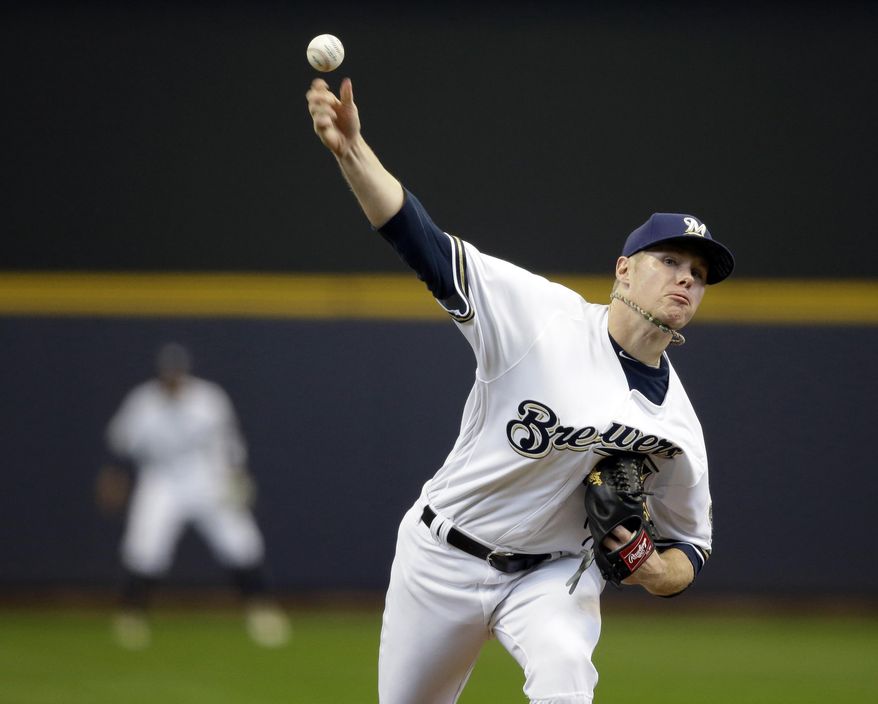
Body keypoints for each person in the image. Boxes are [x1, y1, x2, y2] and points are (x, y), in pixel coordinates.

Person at [306, 76, 734, 703]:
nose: (685, 281)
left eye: (698, 275)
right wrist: (352, 152)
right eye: (669, 261)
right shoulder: (541, 316)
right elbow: (419, 239)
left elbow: (691, 548)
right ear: (623, 269)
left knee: (565, 676)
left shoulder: (676, 425)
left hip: (554, 576)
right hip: (442, 556)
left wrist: (653, 568)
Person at [95, 342, 290, 649]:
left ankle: (261, 611)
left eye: (177, 374)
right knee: (145, 547)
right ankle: (131, 615)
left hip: (206, 479)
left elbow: (230, 442)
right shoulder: (143, 403)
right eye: (168, 375)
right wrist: (113, 477)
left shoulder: (209, 400)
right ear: (161, 375)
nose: (173, 380)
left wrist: (237, 476)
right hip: (161, 480)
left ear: (184, 373)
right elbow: (119, 446)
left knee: (240, 540)